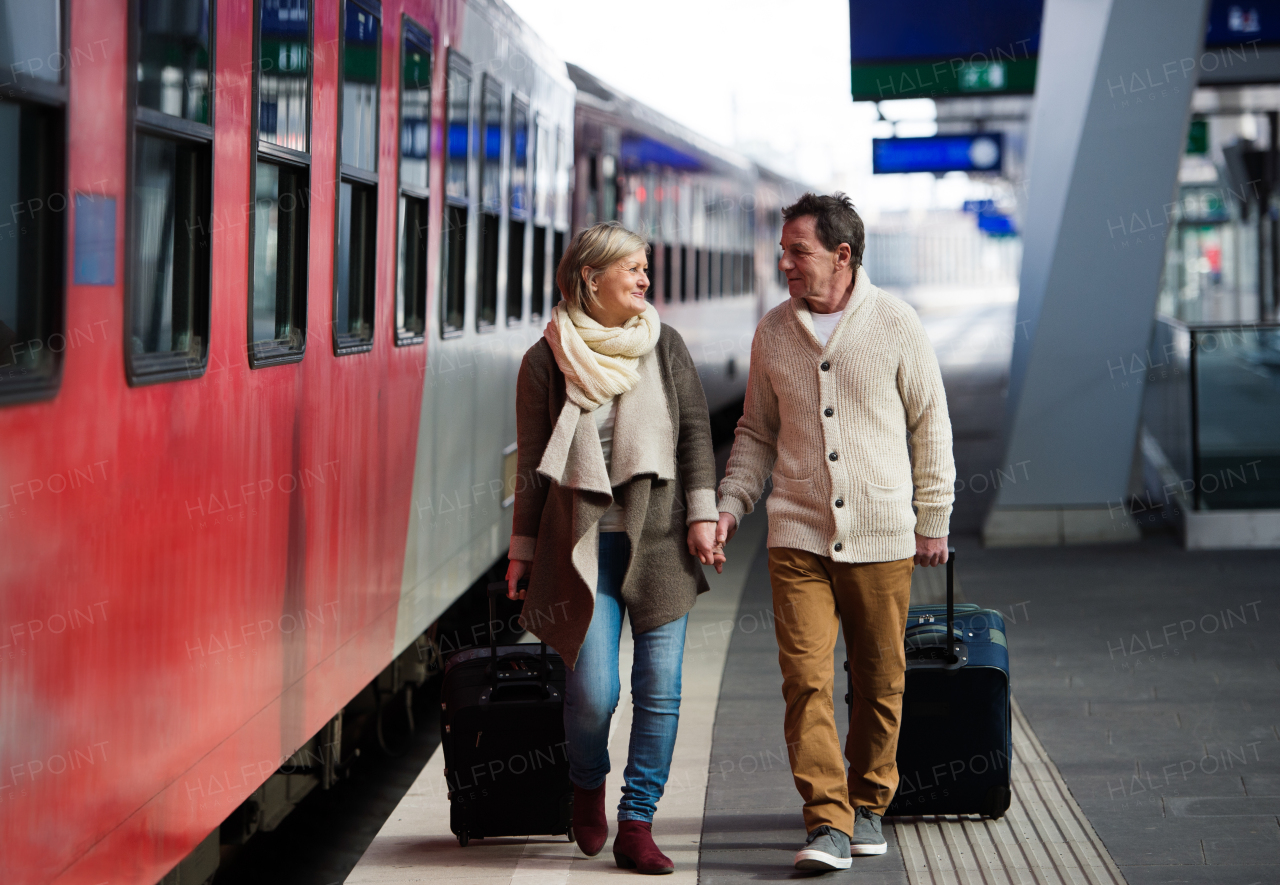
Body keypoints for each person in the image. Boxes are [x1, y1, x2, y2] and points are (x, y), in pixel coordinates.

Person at [715, 193, 955, 872]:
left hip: (882, 533)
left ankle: (870, 802)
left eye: (799, 251)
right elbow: (758, 431)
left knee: (880, 677)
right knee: (806, 678)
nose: (784, 262)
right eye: (783, 250)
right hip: (797, 532)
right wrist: (732, 502)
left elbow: (929, 423)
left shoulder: (895, 323)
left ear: (842, 255)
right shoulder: (773, 332)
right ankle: (827, 818)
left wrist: (932, 517)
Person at [506, 221, 724, 874]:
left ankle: (638, 820)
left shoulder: (665, 346)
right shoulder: (545, 360)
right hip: (579, 547)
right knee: (594, 692)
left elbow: (693, 436)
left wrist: (703, 515)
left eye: (644, 268)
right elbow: (531, 468)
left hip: (659, 539)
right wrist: (521, 549)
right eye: (632, 268)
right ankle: (585, 781)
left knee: (659, 686)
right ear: (589, 278)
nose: (645, 279)